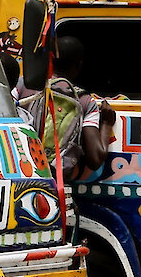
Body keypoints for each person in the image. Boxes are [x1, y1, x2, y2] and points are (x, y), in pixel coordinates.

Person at [18, 36, 115, 180]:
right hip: (57, 179)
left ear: (49, 59)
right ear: (79, 65)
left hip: (21, 170)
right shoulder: (85, 101)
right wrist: (106, 125)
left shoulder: (22, 85)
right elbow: (95, 159)